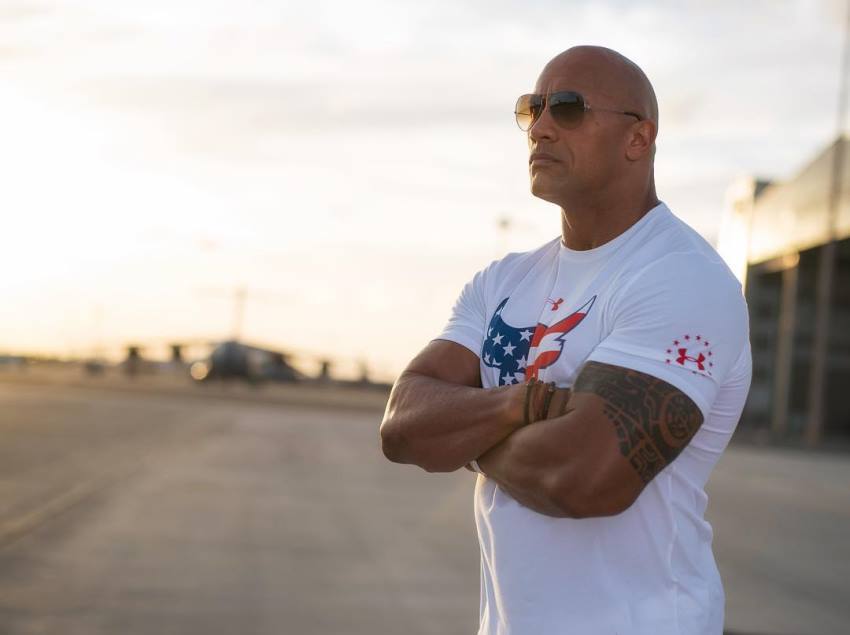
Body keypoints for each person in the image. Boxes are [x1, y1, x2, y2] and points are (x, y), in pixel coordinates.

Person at [379, 45, 751, 635]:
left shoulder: (684, 277)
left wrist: (460, 438)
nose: (542, 127)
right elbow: (402, 425)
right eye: (534, 108)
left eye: (570, 108)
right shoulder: (502, 281)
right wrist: (522, 405)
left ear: (639, 138)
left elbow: (585, 476)